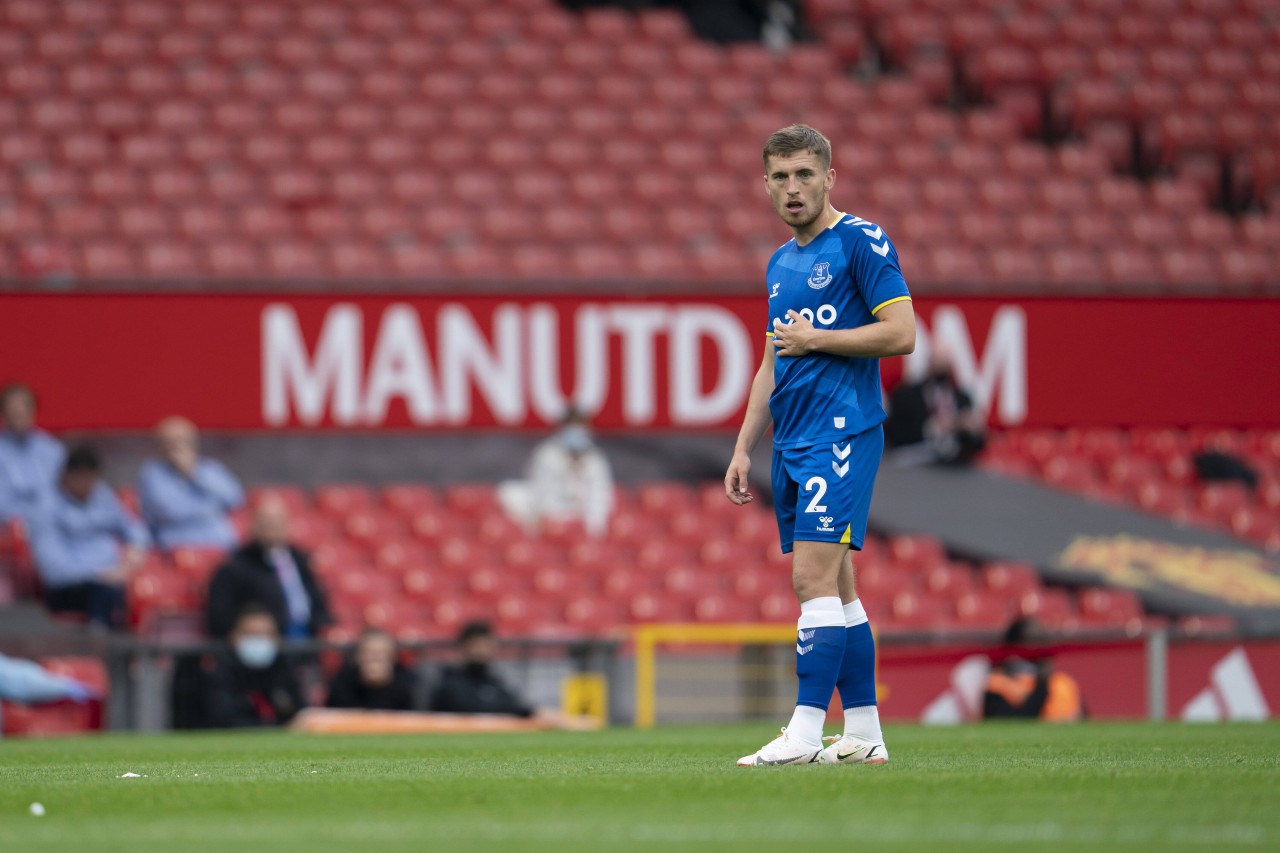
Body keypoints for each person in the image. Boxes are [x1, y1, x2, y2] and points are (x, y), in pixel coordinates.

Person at [724, 125, 915, 767]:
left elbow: (902, 333)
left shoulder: (861, 240)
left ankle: (804, 733)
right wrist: (744, 445)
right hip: (794, 439)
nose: (793, 189)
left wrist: (818, 342)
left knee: (810, 579)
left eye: (804, 174)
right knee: (842, 589)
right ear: (766, 185)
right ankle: (864, 733)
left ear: (830, 177)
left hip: (843, 432)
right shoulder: (780, 262)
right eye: (779, 177)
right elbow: (774, 360)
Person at [29, 445, 149, 629]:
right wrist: (99, 574)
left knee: (141, 589)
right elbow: (53, 570)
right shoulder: (46, 507)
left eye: (91, 478)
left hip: (114, 579)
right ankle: (100, 643)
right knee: (106, 593)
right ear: (66, 476)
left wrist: (133, 554)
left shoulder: (102, 496)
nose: (87, 484)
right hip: (71, 587)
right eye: (81, 478)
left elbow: (135, 529)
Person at [204, 496, 332, 640]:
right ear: (253, 525)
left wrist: (324, 624)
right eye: (266, 522)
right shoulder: (234, 567)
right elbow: (220, 616)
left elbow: (317, 601)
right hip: (264, 645)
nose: (272, 528)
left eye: (278, 522)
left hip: (307, 638)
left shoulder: (300, 560)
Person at [498, 408, 614, 537]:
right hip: (551, 512)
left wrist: (594, 529)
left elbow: (599, 496)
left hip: (582, 512)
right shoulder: (547, 453)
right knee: (509, 492)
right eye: (572, 427)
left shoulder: (595, 459)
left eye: (580, 427)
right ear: (562, 429)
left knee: (609, 501)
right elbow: (540, 490)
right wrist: (549, 520)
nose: (576, 433)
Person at [138, 416, 245, 550]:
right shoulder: (152, 474)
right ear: (160, 445)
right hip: (178, 548)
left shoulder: (210, 468)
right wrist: (212, 506)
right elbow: (170, 512)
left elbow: (236, 499)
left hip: (223, 545)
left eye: (184, 440)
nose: (179, 446)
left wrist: (193, 473)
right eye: (172, 442)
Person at [202, 603, 304, 728]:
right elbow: (222, 719)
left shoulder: (284, 669)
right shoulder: (220, 672)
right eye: (252, 634)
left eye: (267, 634)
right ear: (234, 637)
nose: (260, 640)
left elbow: (300, 713)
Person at [884, 349, 987, 466]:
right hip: (914, 468)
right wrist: (932, 427)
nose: (941, 368)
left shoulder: (962, 399)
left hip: (954, 470)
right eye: (938, 362)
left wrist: (970, 429)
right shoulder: (906, 395)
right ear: (929, 362)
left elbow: (978, 443)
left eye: (945, 363)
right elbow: (893, 432)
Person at [429, 621, 535, 718]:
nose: (481, 651)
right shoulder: (449, 681)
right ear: (463, 647)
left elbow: (512, 704)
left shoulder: (494, 682)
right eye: (476, 645)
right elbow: (467, 707)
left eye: (486, 645)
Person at [0, 382, 65, 527]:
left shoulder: (51, 449)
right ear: (3, 414)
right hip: (13, 531)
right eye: (14, 413)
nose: (20, 416)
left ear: (33, 411)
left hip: (56, 525)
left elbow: (68, 493)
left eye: (24, 410)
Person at [325, 628, 418, 711]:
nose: (375, 659)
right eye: (369, 653)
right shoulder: (343, 682)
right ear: (358, 657)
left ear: (392, 657)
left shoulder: (407, 684)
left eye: (381, 653)